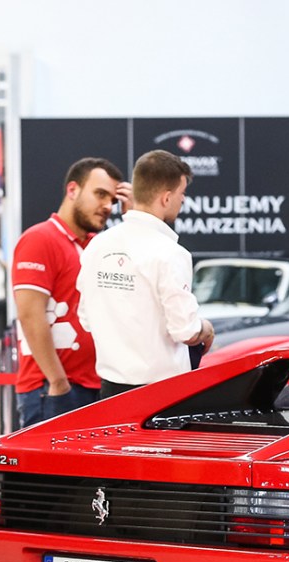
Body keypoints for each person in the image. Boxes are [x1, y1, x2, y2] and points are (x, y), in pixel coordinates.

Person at [77, 150, 213, 398]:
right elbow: (185, 331)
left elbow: (86, 318)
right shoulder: (171, 253)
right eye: (182, 194)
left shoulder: (97, 246)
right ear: (166, 198)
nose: (183, 201)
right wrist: (205, 328)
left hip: (109, 392)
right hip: (161, 395)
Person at [11, 157, 130, 427]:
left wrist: (135, 214)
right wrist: (58, 381)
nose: (107, 206)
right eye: (100, 194)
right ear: (73, 190)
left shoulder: (97, 246)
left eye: (112, 199)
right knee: (46, 471)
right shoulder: (39, 238)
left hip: (94, 386)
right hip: (53, 390)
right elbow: (30, 315)